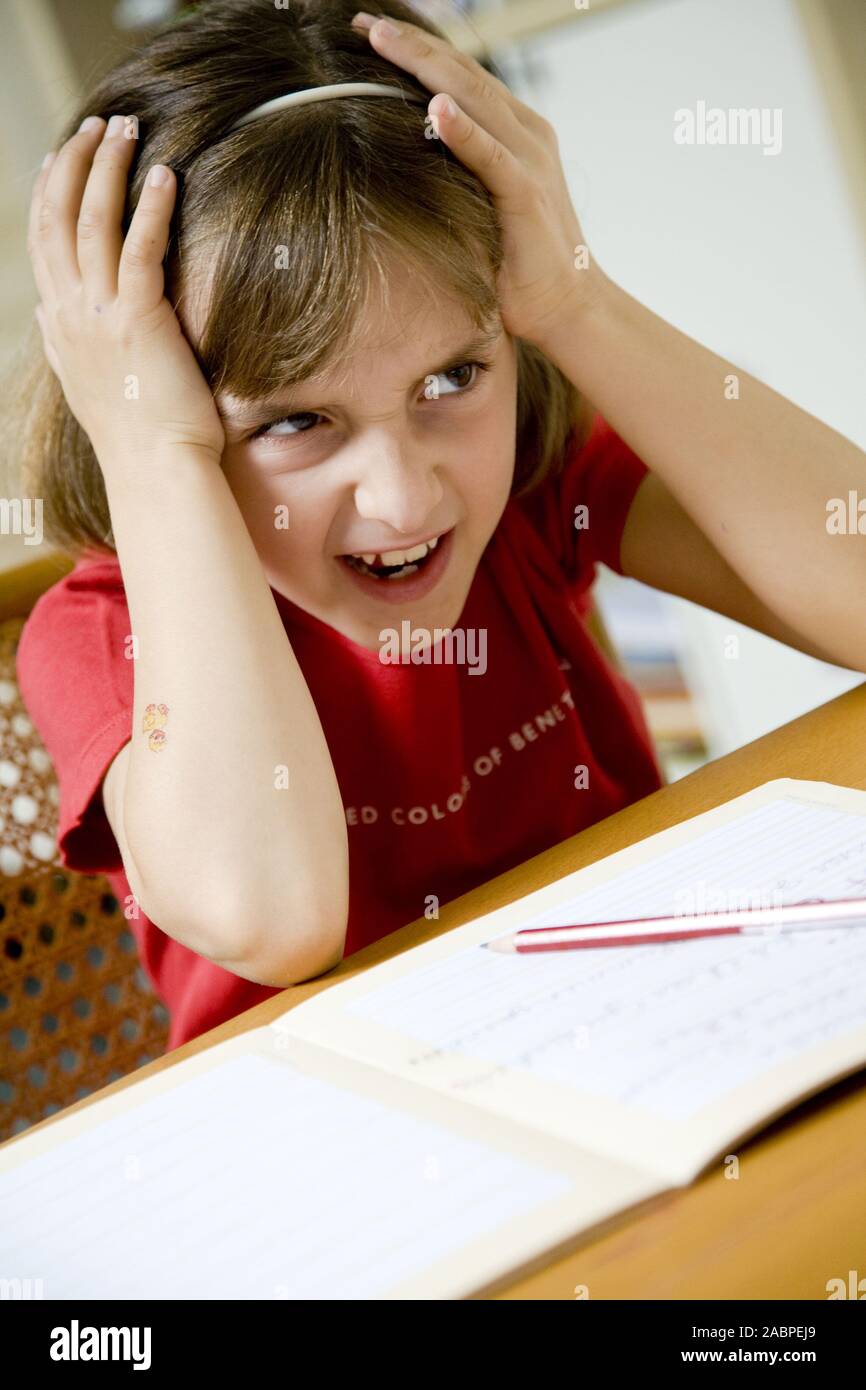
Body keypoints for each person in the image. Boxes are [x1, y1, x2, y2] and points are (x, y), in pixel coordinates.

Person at [11, 0, 863, 1053]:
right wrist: (149, 456)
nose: (406, 502)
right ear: (157, 410)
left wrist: (575, 303)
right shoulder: (100, 634)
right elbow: (272, 921)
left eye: (452, 376)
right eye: (293, 422)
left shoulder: (533, 487)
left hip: (648, 1038)